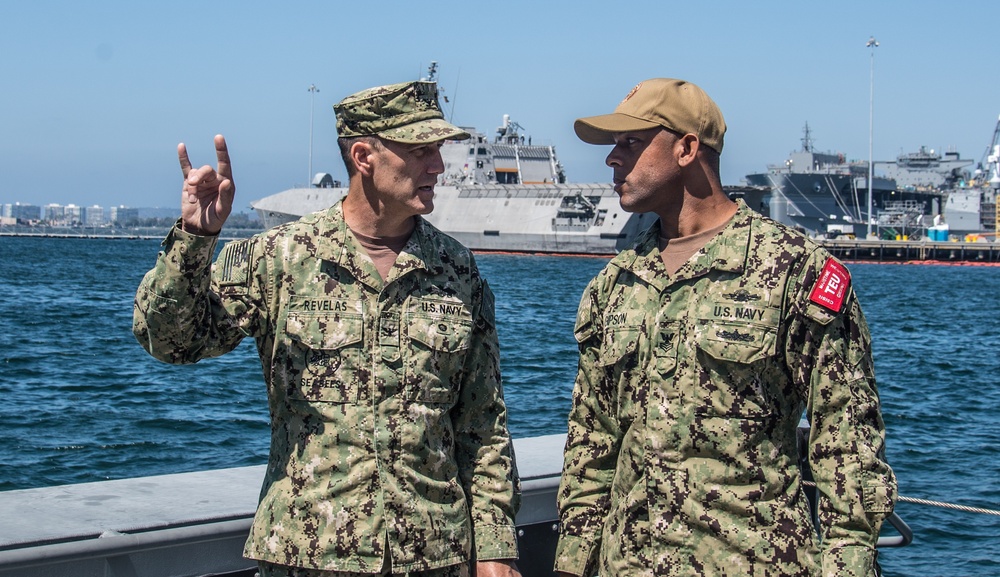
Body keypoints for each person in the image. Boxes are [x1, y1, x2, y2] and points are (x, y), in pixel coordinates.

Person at [133, 80, 521, 577]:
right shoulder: (280, 257)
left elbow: (483, 424)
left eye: (439, 150)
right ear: (364, 156)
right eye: (420, 150)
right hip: (309, 555)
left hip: (434, 556)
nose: (438, 166)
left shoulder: (458, 270)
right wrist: (195, 237)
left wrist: (495, 550)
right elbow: (171, 341)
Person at [553, 78, 897, 576]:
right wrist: (571, 564)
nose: (612, 158)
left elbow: (847, 445)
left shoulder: (792, 271)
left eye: (630, 142)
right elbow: (593, 441)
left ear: (687, 148)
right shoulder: (614, 284)